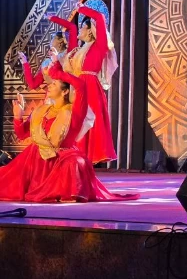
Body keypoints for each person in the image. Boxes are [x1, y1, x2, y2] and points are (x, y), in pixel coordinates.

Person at [0, 50, 137, 202]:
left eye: (54, 84)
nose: (49, 86)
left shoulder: (74, 112)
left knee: (75, 162)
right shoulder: (42, 110)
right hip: (35, 159)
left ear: (65, 91)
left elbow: (80, 85)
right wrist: (18, 117)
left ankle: (67, 192)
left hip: (61, 157)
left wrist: (57, 71)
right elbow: (22, 134)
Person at [60, 0, 118, 164]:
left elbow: (99, 18)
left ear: (90, 31)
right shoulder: (80, 50)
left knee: (89, 121)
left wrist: (83, 9)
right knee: (76, 121)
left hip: (90, 87)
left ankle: (87, 160)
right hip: (78, 87)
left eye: (82, 27)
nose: (79, 29)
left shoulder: (99, 46)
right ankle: (75, 157)